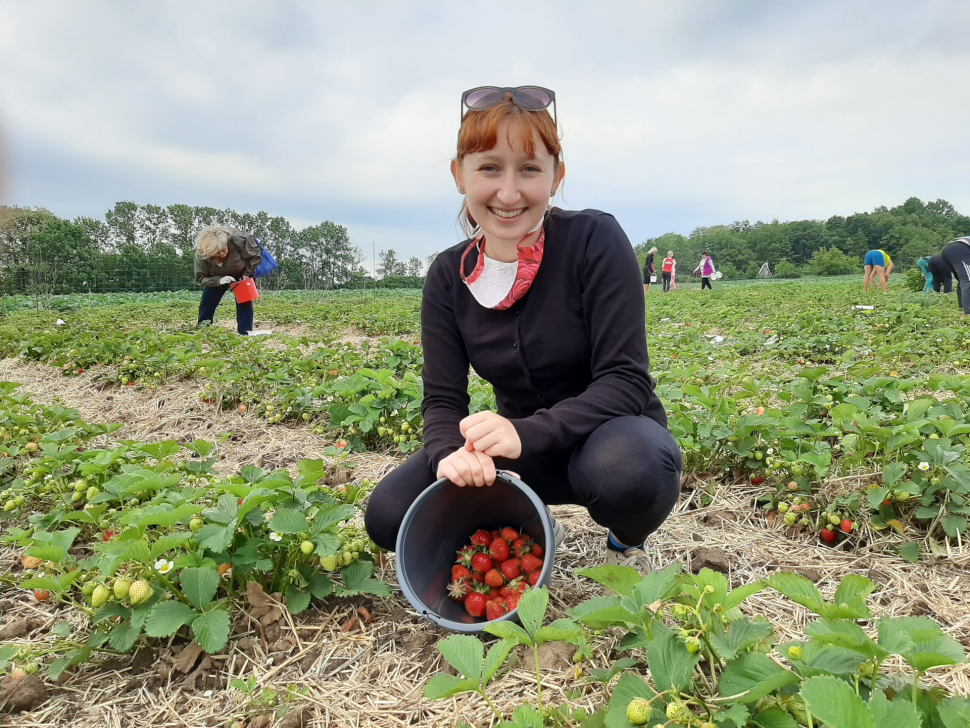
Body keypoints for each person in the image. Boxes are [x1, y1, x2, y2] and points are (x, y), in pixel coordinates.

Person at [363, 86, 682, 573]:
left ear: (556, 177)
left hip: (605, 438)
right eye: (489, 167)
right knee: (389, 516)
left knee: (633, 475)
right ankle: (528, 518)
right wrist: (451, 455)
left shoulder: (594, 241)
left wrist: (526, 432)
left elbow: (626, 380)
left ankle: (625, 532)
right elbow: (444, 399)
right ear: (459, 175)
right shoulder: (449, 276)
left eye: (529, 169)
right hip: (515, 449)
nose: (508, 193)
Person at [194, 226, 262, 335]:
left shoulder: (239, 240)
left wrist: (247, 274)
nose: (223, 253)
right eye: (218, 252)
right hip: (216, 277)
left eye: (224, 249)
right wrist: (218, 281)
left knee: (244, 302)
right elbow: (201, 278)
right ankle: (203, 330)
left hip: (240, 273)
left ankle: (245, 333)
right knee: (207, 302)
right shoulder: (201, 255)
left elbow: (254, 257)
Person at [940, 236, 970, 317]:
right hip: (959, 249)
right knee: (968, 280)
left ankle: (962, 306)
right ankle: (968, 313)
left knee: (963, 280)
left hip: (948, 250)